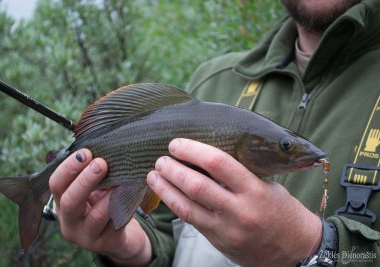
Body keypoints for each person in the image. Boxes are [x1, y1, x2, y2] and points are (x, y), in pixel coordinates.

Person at [49, 0, 380, 266]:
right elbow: (163, 227)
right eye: (285, 147)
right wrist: (131, 248)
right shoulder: (213, 79)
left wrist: (314, 247)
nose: (300, 153)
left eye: (286, 147)